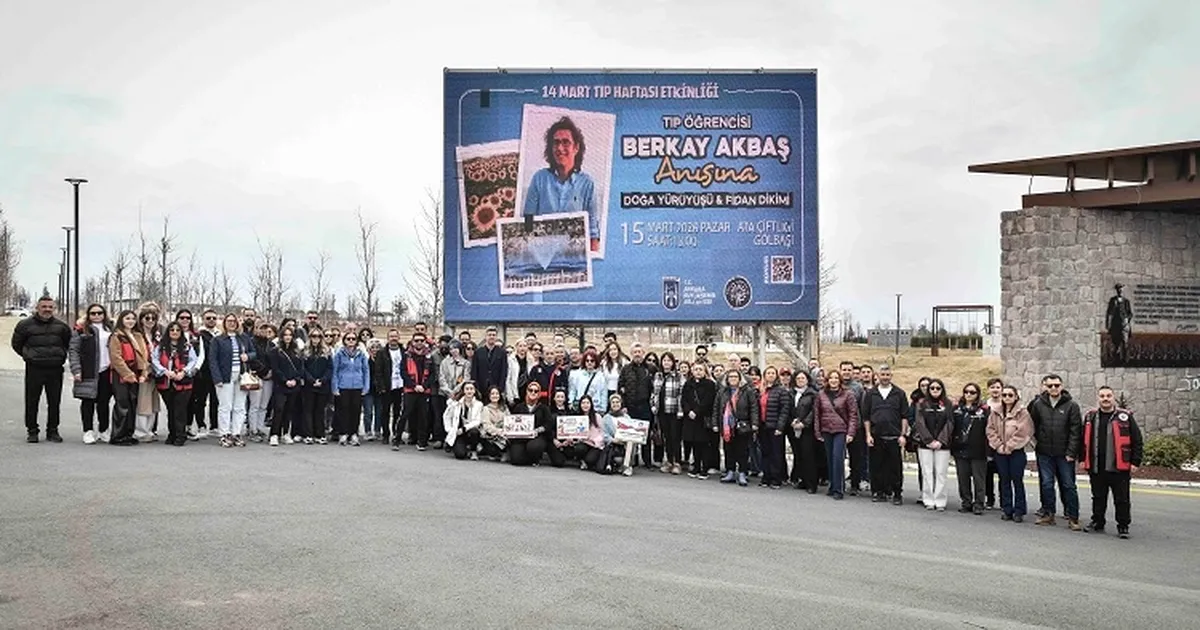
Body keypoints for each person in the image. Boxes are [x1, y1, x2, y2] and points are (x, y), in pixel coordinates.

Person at [523, 115, 600, 252]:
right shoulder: (539, 179)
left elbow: (593, 234)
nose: (559, 148)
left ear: (576, 148)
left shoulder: (588, 184)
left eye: (566, 142)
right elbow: (527, 224)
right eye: (556, 143)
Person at [1082, 386, 1144, 539]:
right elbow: (1082, 440)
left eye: (1108, 395)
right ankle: (1097, 521)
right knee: (1098, 497)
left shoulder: (1125, 416)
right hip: (1097, 466)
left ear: (1113, 397)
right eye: (1102, 396)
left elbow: (1137, 440)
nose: (1105, 398)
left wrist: (1135, 461)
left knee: (1122, 499)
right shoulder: (1090, 417)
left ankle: (1123, 526)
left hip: (1119, 467)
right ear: (1098, 398)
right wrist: (1082, 459)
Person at [12, 296, 73, 443]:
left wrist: (60, 357)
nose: (47, 309)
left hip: (55, 369)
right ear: (37, 307)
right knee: (32, 401)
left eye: (50, 307)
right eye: (44, 306)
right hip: (34, 369)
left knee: (54, 401)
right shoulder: (24, 325)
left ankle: (53, 431)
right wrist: (29, 356)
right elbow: (17, 344)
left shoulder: (62, 327)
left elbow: (67, 344)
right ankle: (32, 431)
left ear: (54, 309)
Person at [1028, 374, 1084, 531]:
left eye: (1057, 385)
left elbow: (1075, 431)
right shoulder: (1038, 404)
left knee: (1068, 485)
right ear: (1045, 386)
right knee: (1046, 484)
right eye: (1050, 385)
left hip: (1064, 454)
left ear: (1062, 386)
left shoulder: (1072, 405)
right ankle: (1048, 514)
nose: (1054, 388)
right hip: (1044, 453)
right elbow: (1033, 426)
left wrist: (1071, 452)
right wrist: (1036, 445)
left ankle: (1073, 517)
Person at [861, 364, 909, 505]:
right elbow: (866, 417)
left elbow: (904, 416)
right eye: (883, 374)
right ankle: (878, 492)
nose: (885, 377)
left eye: (888, 375)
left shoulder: (899, 393)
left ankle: (897, 493)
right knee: (876, 466)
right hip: (876, 436)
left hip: (894, 436)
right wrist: (868, 435)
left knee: (895, 468)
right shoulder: (871, 394)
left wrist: (903, 435)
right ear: (878, 375)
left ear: (891, 376)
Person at [987, 385, 1034, 522]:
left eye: (1010, 395)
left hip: (1016, 452)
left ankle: (1019, 510)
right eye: (1004, 395)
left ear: (1016, 397)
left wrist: (1010, 446)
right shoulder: (994, 412)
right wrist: (999, 446)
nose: (1007, 398)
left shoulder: (1023, 413)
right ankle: (1007, 509)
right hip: (1000, 451)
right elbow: (990, 430)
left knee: (1017, 480)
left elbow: (1024, 432)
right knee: (1004, 480)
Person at [149, 321, 199, 447]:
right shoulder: (161, 347)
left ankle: (180, 435)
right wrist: (165, 371)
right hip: (166, 381)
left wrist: (184, 371)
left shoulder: (187, 346)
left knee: (180, 410)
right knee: (171, 409)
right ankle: (172, 434)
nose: (175, 332)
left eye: (177, 330)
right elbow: (154, 360)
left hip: (183, 382)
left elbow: (193, 361)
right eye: (172, 330)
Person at [69, 303, 113, 444]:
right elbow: (73, 350)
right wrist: (76, 370)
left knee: (104, 402)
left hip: (107, 370)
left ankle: (103, 430)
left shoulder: (111, 328)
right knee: (87, 401)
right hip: (88, 370)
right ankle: (87, 431)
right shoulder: (81, 330)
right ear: (88, 315)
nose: (96, 316)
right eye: (93, 313)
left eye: (99, 313)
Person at [209, 313, 256, 448]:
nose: (232, 323)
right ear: (224, 323)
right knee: (225, 406)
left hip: (241, 375)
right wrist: (217, 378)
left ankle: (236, 433)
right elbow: (213, 361)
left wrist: (248, 356)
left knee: (240, 406)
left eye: (234, 321)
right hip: (225, 376)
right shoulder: (218, 340)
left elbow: (254, 353)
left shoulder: (244, 338)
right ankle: (224, 433)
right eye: (229, 321)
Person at [813, 370, 858, 500]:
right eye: (831, 378)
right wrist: (818, 431)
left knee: (838, 458)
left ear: (840, 380)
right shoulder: (821, 394)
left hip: (841, 430)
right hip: (826, 429)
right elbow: (817, 414)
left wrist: (851, 432)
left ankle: (839, 488)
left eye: (836, 378)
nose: (833, 380)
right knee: (830, 459)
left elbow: (853, 415)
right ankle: (832, 486)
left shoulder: (848, 394)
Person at [107, 310, 149, 446]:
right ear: (121, 320)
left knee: (132, 404)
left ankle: (128, 434)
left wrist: (143, 373)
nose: (130, 321)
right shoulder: (116, 336)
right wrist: (127, 374)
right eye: (127, 318)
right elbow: (116, 358)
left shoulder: (137, 335)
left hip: (136, 373)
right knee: (122, 404)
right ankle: (118, 435)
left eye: (132, 319)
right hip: (121, 374)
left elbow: (143, 356)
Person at [713, 369, 757, 487]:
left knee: (742, 450)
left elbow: (753, 407)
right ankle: (730, 471)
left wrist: (754, 423)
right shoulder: (722, 392)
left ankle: (742, 472)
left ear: (740, 378)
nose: (733, 379)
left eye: (735, 377)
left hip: (742, 424)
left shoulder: (747, 391)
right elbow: (716, 408)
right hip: (727, 425)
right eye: (730, 377)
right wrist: (715, 424)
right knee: (728, 450)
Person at [915, 378, 954, 511]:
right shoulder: (922, 404)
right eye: (932, 388)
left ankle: (940, 501)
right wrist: (929, 440)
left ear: (942, 389)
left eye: (938, 388)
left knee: (941, 473)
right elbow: (920, 423)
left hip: (943, 445)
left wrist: (941, 441)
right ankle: (928, 499)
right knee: (927, 472)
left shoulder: (948, 404)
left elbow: (950, 423)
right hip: (925, 444)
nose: (935, 391)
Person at [952, 383, 990, 515]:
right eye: (966, 392)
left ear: (977, 394)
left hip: (978, 449)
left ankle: (979, 503)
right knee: (963, 478)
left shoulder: (984, 410)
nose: (969, 395)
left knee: (979, 479)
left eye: (972, 392)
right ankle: (966, 502)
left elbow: (989, 430)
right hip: (960, 448)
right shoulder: (957, 409)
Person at [398, 332, 437, 451]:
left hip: (424, 391)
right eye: (416, 340)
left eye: (421, 340)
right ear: (412, 342)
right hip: (410, 390)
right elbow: (403, 372)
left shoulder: (429, 356)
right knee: (405, 414)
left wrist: (424, 386)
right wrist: (414, 385)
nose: (419, 343)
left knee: (423, 417)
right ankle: (397, 439)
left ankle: (422, 441)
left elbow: (432, 374)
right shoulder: (406, 355)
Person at [269, 326, 306, 446]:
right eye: (285, 335)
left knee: (289, 410)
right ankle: (274, 434)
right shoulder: (275, 351)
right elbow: (275, 368)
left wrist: (295, 380)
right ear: (281, 336)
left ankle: (286, 433)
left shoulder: (297, 352)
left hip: (294, 384)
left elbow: (300, 368)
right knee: (279, 409)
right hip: (280, 385)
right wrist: (285, 380)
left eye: (290, 335)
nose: (288, 337)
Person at [332, 331, 370, 446]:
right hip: (343, 386)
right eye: (348, 339)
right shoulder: (339, 354)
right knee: (343, 410)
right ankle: (343, 433)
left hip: (357, 386)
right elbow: (335, 371)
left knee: (356, 411)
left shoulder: (361, 354)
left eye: (353, 339)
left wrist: (366, 386)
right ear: (344, 340)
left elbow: (366, 371)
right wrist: (335, 387)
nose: (351, 341)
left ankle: (353, 433)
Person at [681, 361, 717, 479]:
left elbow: (708, 401)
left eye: (701, 370)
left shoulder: (710, 384)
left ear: (705, 371)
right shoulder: (688, 384)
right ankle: (695, 466)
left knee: (704, 444)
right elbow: (684, 399)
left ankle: (704, 468)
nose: (698, 372)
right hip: (690, 418)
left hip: (703, 418)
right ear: (692, 371)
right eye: (696, 369)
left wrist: (696, 411)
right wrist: (688, 411)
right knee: (694, 444)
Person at [651, 352, 685, 475]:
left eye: (669, 361)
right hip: (661, 411)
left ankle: (677, 462)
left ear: (673, 363)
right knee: (666, 437)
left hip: (674, 411)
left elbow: (681, 394)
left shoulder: (678, 376)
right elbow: (654, 392)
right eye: (664, 360)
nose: (666, 363)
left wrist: (680, 410)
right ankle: (669, 461)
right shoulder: (658, 376)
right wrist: (653, 405)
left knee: (675, 437)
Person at [760, 366, 792, 490]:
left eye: (773, 373)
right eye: (768, 373)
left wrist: (780, 426)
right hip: (763, 426)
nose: (771, 375)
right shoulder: (761, 390)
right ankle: (766, 476)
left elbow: (785, 410)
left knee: (776, 453)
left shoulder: (781, 391)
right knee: (765, 452)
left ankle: (776, 478)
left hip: (775, 426)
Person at [788, 370, 820, 493]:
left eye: (803, 378)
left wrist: (804, 423)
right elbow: (789, 408)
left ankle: (812, 483)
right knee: (799, 455)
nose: (800, 380)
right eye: (798, 378)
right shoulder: (792, 393)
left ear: (807, 380)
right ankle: (803, 480)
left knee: (809, 456)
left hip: (807, 430)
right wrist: (791, 421)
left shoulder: (813, 394)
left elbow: (814, 411)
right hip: (794, 428)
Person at [508, 381, 550, 466]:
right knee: (516, 460)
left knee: (534, 447)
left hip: (537, 436)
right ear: (527, 391)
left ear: (539, 393)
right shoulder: (519, 407)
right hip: (521, 437)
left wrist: (538, 430)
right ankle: (528, 459)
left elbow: (548, 424)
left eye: (536, 391)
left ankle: (535, 459)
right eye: (530, 390)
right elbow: (512, 421)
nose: (533, 393)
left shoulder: (543, 408)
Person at [303, 328, 333, 445]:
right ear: (310, 337)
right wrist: (311, 380)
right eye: (313, 336)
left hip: (322, 385)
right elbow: (303, 368)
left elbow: (330, 368)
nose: (316, 339)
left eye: (319, 336)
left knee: (320, 410)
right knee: (308, 410)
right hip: (309, 385)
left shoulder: (327, 351)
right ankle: (308, 434)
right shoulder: (304, 351)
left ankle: (320, 434)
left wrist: (323, 380)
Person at [444, 381, 484, 460]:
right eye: (467, 389)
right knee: (460, 455)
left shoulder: (479, 404)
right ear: (463, 391)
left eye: (471, 389)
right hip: (458, 432)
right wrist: (449, 429)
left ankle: (473, 451)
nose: (469, 391)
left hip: (470, 431)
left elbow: (477, 421)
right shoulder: (456, 404)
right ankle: (459, 446)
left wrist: (464, 428)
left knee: (474, 432)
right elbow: (447, 416)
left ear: (475, 390)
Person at [470, 327, 508, 403]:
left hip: (496, 388)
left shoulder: (502, 352)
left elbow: (503, 371)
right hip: (481, 387)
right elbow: (474, 371)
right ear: (485, 337)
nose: (491, 337)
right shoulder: (478, 352)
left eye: (494, 335)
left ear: (496, 337)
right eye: (489, 335)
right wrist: (476, 388)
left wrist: (500, 388)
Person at [479, 386, 509, 461]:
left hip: (504, 434)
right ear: (489, 396)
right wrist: (498, 431)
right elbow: (486, 426)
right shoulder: (486, 409)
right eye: (492, 394)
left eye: (497, 393)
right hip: (491, 436)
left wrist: (504, 430)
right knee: (492, 452)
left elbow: (509, 420)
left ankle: (504, 452)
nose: (495, 395)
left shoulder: (504, 408)